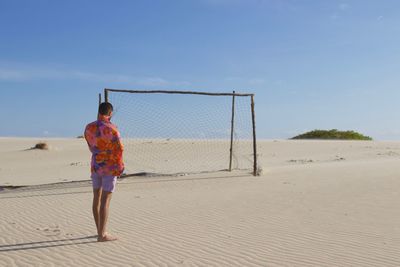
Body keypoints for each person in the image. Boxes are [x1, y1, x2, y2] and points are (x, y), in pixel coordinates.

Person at [84, 102, 124, 242]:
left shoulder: (89, 127)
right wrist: (120, 167)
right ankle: (102, 235)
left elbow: (91, 147)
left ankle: (99, 230)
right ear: (110, 113)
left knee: (96, 197)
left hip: (96, 165)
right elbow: (119, 150)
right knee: (105, 200)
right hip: (109, 167)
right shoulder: (113, 129)